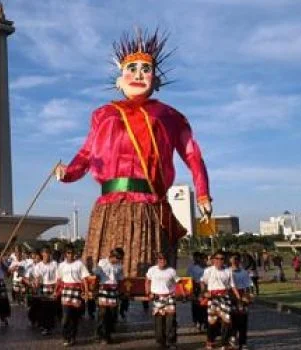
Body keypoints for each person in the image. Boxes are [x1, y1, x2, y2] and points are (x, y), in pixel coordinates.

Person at [55, 29, 213, 279]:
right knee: (103, 269)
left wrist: (203, 193)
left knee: (146, 267)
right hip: (109, 205)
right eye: (131, 68)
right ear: (119, 80)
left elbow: (193, 155)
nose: (138, 74)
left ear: (156, 81)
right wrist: (68, 173)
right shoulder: (103, 114)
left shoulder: (171, 117)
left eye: (146, 69)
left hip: (147, 204)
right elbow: (86, 153)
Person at [201, 252, 241, 350]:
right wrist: (204, 292)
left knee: (226, 321)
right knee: (212, 322)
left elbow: (232, 285)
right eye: (217, 258)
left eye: (222, 259)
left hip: (225, 298)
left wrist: (238, 298)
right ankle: (210, 341)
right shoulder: (208, 270)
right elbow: (203, 282)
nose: (219, 261)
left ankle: (225, 343)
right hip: (212, 298)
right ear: (213, 260)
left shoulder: (228, 271)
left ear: (224, 260)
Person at [145, 252, 185, 349]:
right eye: (160, 259)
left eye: (164, 259)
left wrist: (182, 293)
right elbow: (147, 281)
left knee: (170, 321)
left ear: (166, 261)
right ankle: (161, 342)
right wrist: (148, 293)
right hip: (157, 298)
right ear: (157, 260)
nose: (162, 261)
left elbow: (179, 282)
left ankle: (171, 342)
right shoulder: (151, 270)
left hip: (169, 298)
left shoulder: (171, 271)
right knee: (159, 322)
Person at [57, 245, 90, 347]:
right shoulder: (61, 265)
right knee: (65, 317)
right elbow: (59, 280)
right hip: (66, 292)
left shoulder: (79, 264)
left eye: (72, 253)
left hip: (76, 292)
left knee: (75, 318)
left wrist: (87, 292)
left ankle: (73, 337)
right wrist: (56, 291)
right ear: (65, 254)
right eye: (68, 253)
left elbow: (84, 279)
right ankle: (65, 337)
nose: (70, 255)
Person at [94, 248, 125, 344]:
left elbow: (120, 280)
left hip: (114, 292)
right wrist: (95, 290)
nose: (119, 260)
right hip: (103, 291)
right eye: (118, 258)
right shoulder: (102, 262)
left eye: (120, 259)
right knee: (102, 314)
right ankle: (101, 335)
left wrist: (122, 292)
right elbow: (96, 276)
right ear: (112, 256)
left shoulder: (119, 266)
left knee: (112, 315)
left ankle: (107, 334)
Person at [33, 247, 58, 336]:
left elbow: (58, 278)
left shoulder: (54, 264)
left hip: (53, 288)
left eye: (48, 253)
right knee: (43, 308)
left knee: (51, 309)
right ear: (42, 254)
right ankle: (45, 326)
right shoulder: (38, 266)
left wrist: (56, 290)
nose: (47, 255)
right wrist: (36, 283)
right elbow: (37, 278)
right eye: (45, 253)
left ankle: (49, 326)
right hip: (43, 289)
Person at [230, 254, 253, 350]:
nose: (235, 261)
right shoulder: (228, 272)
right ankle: (233, 337)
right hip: (231, 296)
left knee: (243, 319)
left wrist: (249, 297)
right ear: (230, 261)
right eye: (233, 260)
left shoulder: (244, 272)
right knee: (232, 319)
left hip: (242, 296)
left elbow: (248, 285)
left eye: (237, 260)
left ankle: (243, 342)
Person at [187, 251, 208, 331]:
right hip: (196, 288)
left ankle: (205, 322)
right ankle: (197, 321)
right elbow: (190, 279)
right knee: (197, 306)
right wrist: (191, 291)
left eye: (206, 259)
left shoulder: (208, 268)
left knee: (206, 306)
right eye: (203, 259)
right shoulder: (193, 267)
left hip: (206, 288)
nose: (205, 261)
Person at [24, 250, 42, 328]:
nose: (35, 259)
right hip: (32, 288)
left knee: (41, 305)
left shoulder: (43, 265)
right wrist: (30, 283)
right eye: (34, 258)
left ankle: (40, 321)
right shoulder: (30, 266)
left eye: (37, 258)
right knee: (33, 305)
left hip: (42, 287)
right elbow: (25, 278)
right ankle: (32, 320)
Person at [84, 256, 97, 320]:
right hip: (84, 291)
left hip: (92, 292)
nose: (90, 264)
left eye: (91, 262)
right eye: (89, 262)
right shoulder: (83, 272)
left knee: (91, 304)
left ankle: (91, 313)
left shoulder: (94, 272)